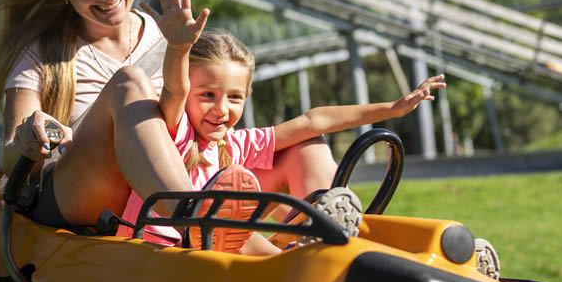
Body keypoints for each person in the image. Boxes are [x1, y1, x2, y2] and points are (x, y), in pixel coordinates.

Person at [0, 0, 339, 234]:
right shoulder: (42, 54)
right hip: (81, 192)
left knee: (305, 144)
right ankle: (192, 218)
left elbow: (205, 119)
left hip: (180, 178)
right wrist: (25, 137)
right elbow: (9, 159)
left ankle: (325, 233)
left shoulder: (168, 35)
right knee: (129, 84)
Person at [120, 27, 445, 253]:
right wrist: (178, 47)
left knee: (308, 142)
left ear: (247, 96)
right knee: (239, 232)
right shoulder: (174, 130)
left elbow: (312, 121)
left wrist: (393, 108)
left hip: (211, 244)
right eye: (207, 95)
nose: (221, 109)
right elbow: (175, 89)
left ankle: (348, 243)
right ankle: (314, 250)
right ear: (188, 92)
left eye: (234, 97)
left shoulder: (235, 145)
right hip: (158, 247)